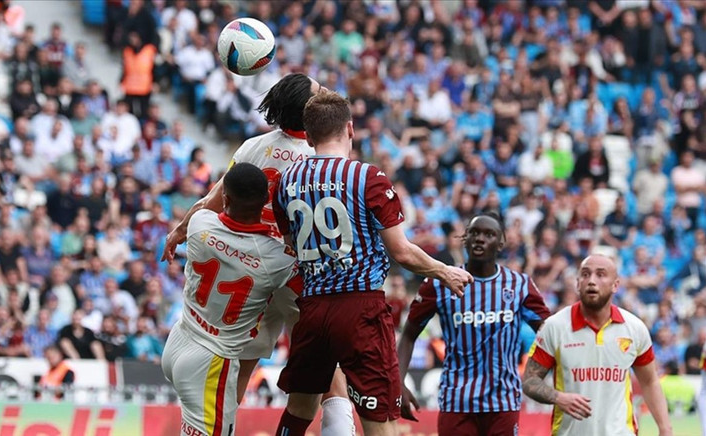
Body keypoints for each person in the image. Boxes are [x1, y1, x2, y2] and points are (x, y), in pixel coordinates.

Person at [162, 74, 356, 434]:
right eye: (320, 91)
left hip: (250, 272)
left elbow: (214, 199)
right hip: (292, 269)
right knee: (327, 366)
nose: (326, 91)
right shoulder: (317, 160)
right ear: (310, 111)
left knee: (241, 363)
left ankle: (217, 426)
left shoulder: (255, 146)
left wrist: (181, 228)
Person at [272, 91, 473, 436]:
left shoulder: (286, 181)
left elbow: (291, 245)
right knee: (380, 420)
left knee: (299, 409)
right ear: (350, 129)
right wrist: (444, 270)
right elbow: (402, 252)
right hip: (360, 308)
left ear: (308, 134)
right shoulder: (368, 178)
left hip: (312, 308)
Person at [161, 163, 302, 436]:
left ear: (225, 198)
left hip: (180, 338)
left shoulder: (200, 224)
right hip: (212, 360)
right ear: (266, 202)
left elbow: (201, 209)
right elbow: (308, 292)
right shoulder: (277, 260)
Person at [397, 212, 550, 435]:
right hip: (456, 402)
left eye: (489, 234)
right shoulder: (439, 283)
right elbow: (409, 334)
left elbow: (548, 332)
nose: (480, 238)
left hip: (503, 403)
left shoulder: (519, 285)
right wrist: (398, 383)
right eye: (474, 233)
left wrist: (537, 376)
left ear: (500, 243)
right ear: (465, 239)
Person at [522, 254, 672, 436]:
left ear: (616, 285)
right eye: (585, 274)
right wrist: (559, 397)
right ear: (578, 283)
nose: (591, 281)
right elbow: (529, 380)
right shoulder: (555, 327)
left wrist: (665, 428)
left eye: (600, 275)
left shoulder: (634, 328)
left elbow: (650, 381)